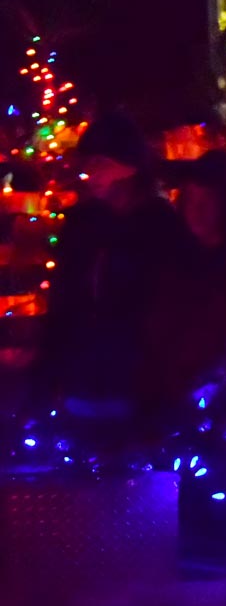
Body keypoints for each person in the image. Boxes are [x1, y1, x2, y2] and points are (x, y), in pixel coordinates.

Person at [35, 111, 189, 428]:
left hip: (138, 377)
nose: (91, 174)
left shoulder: (160, 225)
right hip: (82, 370)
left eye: (100, 164)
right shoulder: (83, 223)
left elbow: (168, 305)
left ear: (127, 168)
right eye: (88, 164)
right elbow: (64, 298)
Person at [148, 149, 226, 421]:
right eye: (192, 200)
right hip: (163, 397)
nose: (197, 211)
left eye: (208, 201)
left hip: (224, 406)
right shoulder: (170, 258)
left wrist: (203, 387)